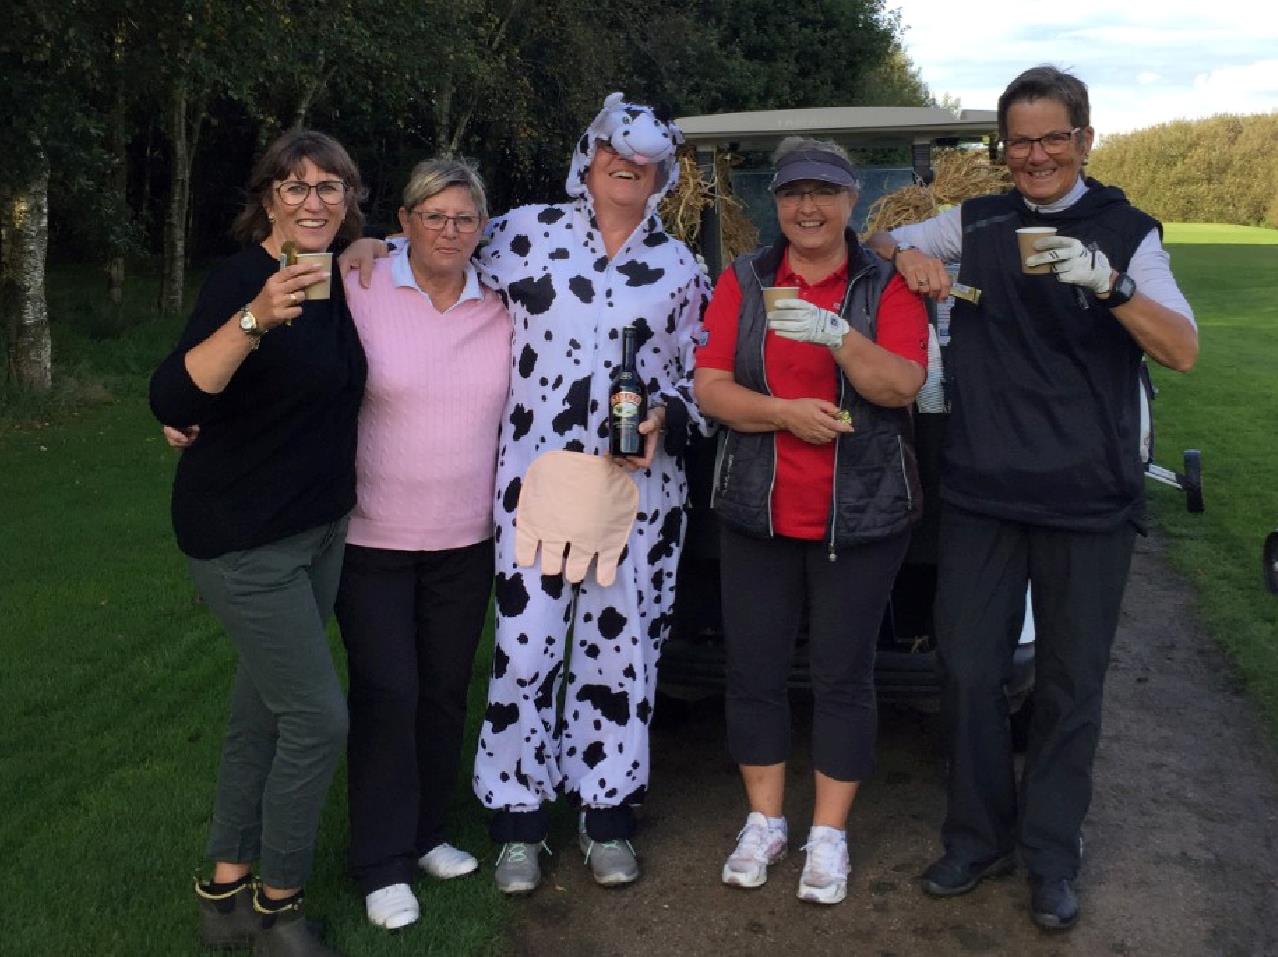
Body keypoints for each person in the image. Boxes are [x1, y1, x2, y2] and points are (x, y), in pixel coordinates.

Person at [341, 92, 708, 893]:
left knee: (621, 652)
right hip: (531, 490)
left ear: (663, 176)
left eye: (644, 160)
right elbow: (438, 248)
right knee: (526, 648)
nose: (626, 166)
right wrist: (368, 244)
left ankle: (608, 814)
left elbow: (701, 373)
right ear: (588, 155)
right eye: (613, 150)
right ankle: (518, 820)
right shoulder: (522, 234)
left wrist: (669, 414)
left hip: (637, 495)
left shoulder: (681, 268)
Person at [865, 64, 1198, 931]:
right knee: (968, 670)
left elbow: (1182, 350)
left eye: (1054, 137)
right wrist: (908, 257)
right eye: (1021, 142)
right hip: (984, 488)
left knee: (1067, 683)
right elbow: (879, 241)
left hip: (1088, 498)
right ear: (1003, 149)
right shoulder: (978, 219)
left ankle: (1052, 852)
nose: (1037, 155)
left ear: (1084, 139)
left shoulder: (1128, 232)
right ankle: (978, 838)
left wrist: (1109, 283)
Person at [693, 137, 928, 905]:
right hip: (756, 509)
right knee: (754, 670)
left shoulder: (884, 283)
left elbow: (900, 384)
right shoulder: (744, 278)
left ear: (851, 201)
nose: (808, 207)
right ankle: (765, 821)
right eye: (793, 193)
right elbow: (711, 387)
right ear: (776, 203)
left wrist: (837, 333)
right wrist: (783, 413)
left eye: (824, 192)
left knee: (842, 674)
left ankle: (828, 833)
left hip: (858, 515)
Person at [151, 130, 367, 956]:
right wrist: (252, 320)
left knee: (262, 713)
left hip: (317, 530)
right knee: (316, 718)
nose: (313, 200)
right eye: (295, 185)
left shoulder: (336, 275)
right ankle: (279, 906)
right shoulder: (244, 280)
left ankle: (224, 893)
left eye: (329, 186)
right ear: (269, 198)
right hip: (243, 540)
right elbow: (172, 395)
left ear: (347, 200)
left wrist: (370, 247)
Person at [335, 157, 511, 930]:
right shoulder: (360, 282)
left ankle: (428, 830)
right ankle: (381, 861)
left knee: (442, 690)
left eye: (464, 218)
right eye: (433, 215)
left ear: (482, 227)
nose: (449, 230)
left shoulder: (502, 301)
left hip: (465, 538)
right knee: (388, 692)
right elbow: (293, 361)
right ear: (403, 221)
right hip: (370, 536)